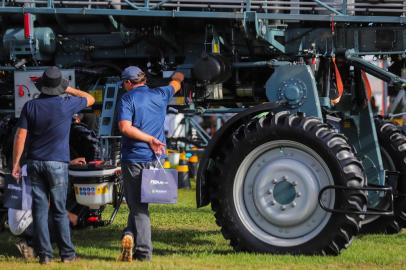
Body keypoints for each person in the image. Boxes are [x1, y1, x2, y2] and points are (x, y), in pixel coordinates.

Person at [12, 66, 95, 264]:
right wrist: (68, 89)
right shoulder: (66, 104)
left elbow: (20, 136)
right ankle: (67, 255)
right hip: (57, 164)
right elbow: (90, 98)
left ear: (42, 86)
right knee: (58, 210)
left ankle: (45, 256)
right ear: (59, 87)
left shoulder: (30, 106)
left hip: (34, 162)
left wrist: (16, 163)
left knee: (39, 211)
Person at [117, 66, 184, 262]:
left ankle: (144, 253)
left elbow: (124, 127)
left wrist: (148, 139)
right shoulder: (161, 93)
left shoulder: (127, 98)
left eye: (124, 82)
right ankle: (128, 234)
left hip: (134, 158)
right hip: (155, 159)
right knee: (140, 203)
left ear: (129, 83)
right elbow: (176, 83)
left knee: (138, 207)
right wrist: (179, 72)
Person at [9, 157, 87, 260]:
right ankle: (31, 245)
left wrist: (69, 163)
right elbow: (46, 202)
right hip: (26, 223)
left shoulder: (23, 168)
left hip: (13, 223)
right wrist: (69, 215)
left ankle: (30, 241)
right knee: (63, 225)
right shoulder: (38, 173)